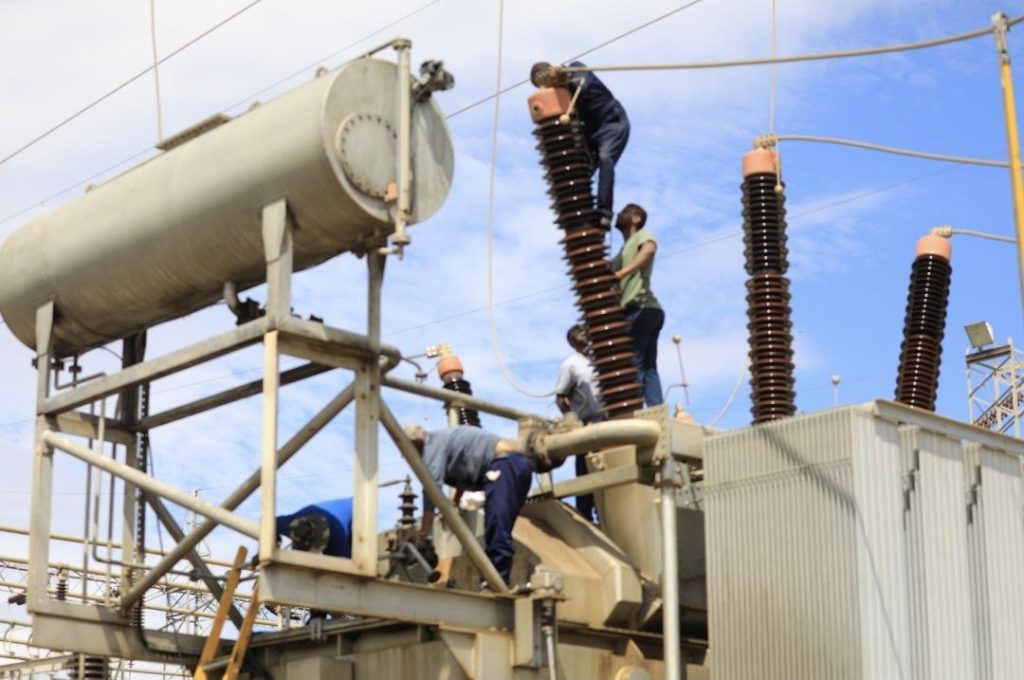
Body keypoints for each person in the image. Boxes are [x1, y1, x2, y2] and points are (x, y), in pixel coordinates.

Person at [403, 424, 533, 586]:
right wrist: (457, 500)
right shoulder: (444, 441)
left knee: (496, 526)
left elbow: (431, 488)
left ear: (415, 444)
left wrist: (423, 530)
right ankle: (498, 579)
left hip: (504, 464)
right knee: (501, 528)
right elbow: (465, 469)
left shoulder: (431, 447)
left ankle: (496, 582)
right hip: (520, 466)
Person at [530, 60, 630, 226]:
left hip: (612, 121)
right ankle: (581, 217)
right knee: (579, 168)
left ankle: (604, 212)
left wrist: (564, 76)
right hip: (591, 128)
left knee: (605, 158)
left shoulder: (576, 68)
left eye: (544, 81)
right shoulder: (558, 95)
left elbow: (581, 85)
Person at [612, 203, 664, 408]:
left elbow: (649, 249)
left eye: (625, 212)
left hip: (640, 309)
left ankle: (635, 413)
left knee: (633, 364)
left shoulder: (643, 235)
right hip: (651, 311)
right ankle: (656, 410)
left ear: (636, 219)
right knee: (649, 366)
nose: (619, 214)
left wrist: (622, 273)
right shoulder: (623, 251)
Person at [554, 324, 604, 522]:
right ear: (572, 343)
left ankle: (604, 514)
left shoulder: (600, 361)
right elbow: (560, 397)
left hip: (607, 425)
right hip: (587, 427)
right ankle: (586, 519)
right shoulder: (571, 365)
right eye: (579, 336)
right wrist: (573, 420)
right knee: (585, 478)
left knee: (607, 474)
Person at [275, 497, 353, 558]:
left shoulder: (337, 538)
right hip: (315, 512)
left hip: (338, 523)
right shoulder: (293, 523)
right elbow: (270, 524)